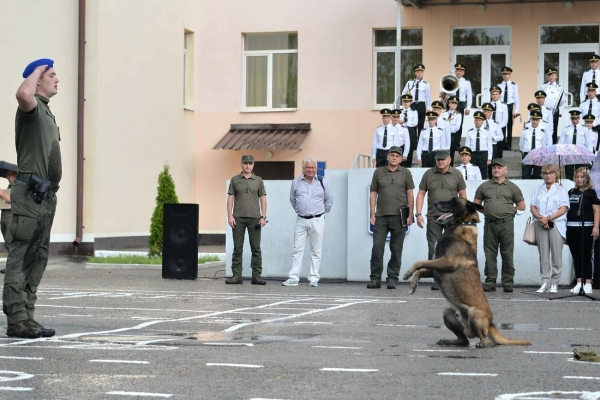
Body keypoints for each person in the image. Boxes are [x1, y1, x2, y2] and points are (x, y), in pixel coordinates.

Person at [3, 59, 61, 339]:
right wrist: (39, 67)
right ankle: (16, 319)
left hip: (45, 197)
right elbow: (23, 94)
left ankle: (27, 316)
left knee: (37, 258)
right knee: (22, 255)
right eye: (52, 75)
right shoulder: (31, 108)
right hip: (29, 194)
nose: (57, 79)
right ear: (37, 80)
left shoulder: (46, 112)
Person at [415, 149, 467, 290]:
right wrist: (418, 214)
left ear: (449, 160)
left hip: (452, 218)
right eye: (438, 159)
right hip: (433, 217)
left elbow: (462, 194)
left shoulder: (457, 174)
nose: (440, 162)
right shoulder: (428, 174)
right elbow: (421, 193)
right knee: (434, 248)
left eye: (443, 159)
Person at [474, 159, 526, 292]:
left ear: (505, 170)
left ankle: (508, 282)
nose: (496, 169)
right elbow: (476, 204)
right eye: (494, 167)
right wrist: (486, 211)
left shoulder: (512, 187)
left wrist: (511, 211)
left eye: (499, 167)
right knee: (490, 254)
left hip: (506, 224)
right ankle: (490, 282)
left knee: (507, 254)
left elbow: (522, 206)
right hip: (490, 224)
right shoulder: (484, 186)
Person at [367, 146, 414, 289]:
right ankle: (375, 279)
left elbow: (410, 195)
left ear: (401, 159)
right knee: (377, 248)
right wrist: (372, 214)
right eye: (392, 155)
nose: (394, 157)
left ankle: (392, 278)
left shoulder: (405, 173)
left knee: (396, 249)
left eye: (397, 156)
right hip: (381, 216)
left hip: (400, 216)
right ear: (387, 157)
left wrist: (411, 215)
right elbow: (373, 193)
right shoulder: (379, 172)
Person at [282, 158, 333, 287]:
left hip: (317, 220)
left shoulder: (323, 182)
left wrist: (320, 213)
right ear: (304, 168)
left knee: (316, 250)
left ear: (316, 169)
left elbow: (329, 201)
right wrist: (301, 210)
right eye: (308, 167)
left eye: (313, 168)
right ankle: (293, 278)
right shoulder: (296, 182)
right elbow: (292, 200)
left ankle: (314, 278)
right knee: (297, 249)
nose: (310, 170)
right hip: (301, 220)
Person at [227, 154, 268, 285]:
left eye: (250, 163)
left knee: (256, 248)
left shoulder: (258, 180)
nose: (248, 166)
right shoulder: (235, 180)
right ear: (242, 164)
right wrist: (230, 215)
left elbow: (263, 199)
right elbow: (230, 199)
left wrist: (263, 216)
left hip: (255, 219)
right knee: (237, 248)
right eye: (245, 163)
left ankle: (256, 276)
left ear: (253, 165)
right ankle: (236, 276)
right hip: (238, 218)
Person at [530, 164, 569, 294]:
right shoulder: (538, 189)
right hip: (540, 223)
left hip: (556, 224)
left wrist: (549, 218)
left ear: (556, 174)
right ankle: (545, 281)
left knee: (556, 255)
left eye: (551, 172)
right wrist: (542, 218)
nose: (548, 175)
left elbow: (563, 208)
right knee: (543, 255)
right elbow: (533, 207)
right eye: (545, 173)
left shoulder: (561, 189)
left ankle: (555, 282)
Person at [566, 167, 599, 295]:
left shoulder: (592, 192)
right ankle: (579, 282)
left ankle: (588, 283)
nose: (580, 179)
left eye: (582, 177)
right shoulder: (571, 192)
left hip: (586, 227)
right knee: (576, 255)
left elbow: (597, 211)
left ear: (587, 178)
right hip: (571, 227)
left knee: (586, 255)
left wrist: (596, 227)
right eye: (577, 177)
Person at [440, 63, 472, 139]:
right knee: (448, 121)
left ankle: (457, 142)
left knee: (459, 123)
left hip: (460, 104)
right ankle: (447, 138)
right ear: (455, 72)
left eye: (460, 71)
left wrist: (468, 107)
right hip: (451, 103)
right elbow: (442, 88)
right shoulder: (450, 80)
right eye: (457, 71)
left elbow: (469, 95)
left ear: (463, 72)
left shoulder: (467, 82)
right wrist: (441, 92)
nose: (458, 72)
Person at [559, 110, 592, 180]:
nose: (574, 121)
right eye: (572, 118)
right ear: (570, 118)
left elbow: (588, 144)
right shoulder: (566, 129)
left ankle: (579, 190)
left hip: (580, 155)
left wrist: (589, 157)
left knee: (580, 174)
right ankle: (570, 189)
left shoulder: (584, 129)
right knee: (569, 175)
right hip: (569, 155)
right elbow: (561, 143)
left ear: (579, 118)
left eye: (576, 118)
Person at [520, 110, 552, 179]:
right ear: (531, 119)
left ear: (539, 120)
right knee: (526, 174)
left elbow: (543, 144)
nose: (534, 121)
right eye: (533, 119)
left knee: (537, 174)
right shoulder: (525, 131)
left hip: (538, 154)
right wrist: (522, 150)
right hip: (527, 153)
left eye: (536, 119)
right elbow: (521, 142)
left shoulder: (542, 132)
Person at [402, 64, 431, 138]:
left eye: (421, 72)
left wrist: (428, 108)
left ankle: (420, 141)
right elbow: (403, 93)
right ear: (415, 73)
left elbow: (428, 96)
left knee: (420, 124)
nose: (419, 73)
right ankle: (414, 142)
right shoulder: (410, 82)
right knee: (412, 123)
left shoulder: (426, 84)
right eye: (418, 72)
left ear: (423, 73)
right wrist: (407, 102)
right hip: (413, 104)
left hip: (421, 105)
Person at [464, 111, 492, 179]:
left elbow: (489, 146)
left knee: (483, 173)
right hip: (473, 154)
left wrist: (489, 158)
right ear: (474, 121)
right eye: (476, 120)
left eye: (479, 120)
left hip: (483, 154)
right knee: (473, 172)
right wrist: (467, 156)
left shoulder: (487, 132)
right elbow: (467, 145)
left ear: (482, 121)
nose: (477, 122)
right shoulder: (470, 132)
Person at [497, 67, 520, 151]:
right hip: (502, 106)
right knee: (501, 124)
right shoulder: (499, 85)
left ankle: (508, 144)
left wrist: (516, 110)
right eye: (504, 74)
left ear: (509, 75)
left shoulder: (513, 85)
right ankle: (501, 143)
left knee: (509, 125)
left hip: (509, 106)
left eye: (507, 74)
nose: (505, 76)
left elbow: (516, 98)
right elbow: (497, 97)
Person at [541, 67, 565, 144]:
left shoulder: (560, 88)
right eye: (549, 75)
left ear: (556, 76)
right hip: (545, 110)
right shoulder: (543, 86)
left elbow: (562, 101)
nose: (551, 77)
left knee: (553, 129)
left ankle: (553, 145)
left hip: (554, 110)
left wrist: (555, 107)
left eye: (553, 75)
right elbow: (540, 98)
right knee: (543, 127)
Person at [481, 102, 504, 178]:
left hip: (493, 146)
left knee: (492, 165)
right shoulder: (480, 123)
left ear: (491, 112)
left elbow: (501, 136)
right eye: (484, 111)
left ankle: (492, 180)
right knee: (483, 165)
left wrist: (493, 138)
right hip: (483, 147)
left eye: (488, 111)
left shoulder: (495, 123)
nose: (486, 113)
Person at [0, 170, 16, 274]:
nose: (9, 177)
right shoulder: (9, 187)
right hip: (4, 217)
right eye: (7, 175)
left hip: (11, 218)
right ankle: (10, 267)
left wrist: (1, 193)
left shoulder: (17, 187)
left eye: (11, 175)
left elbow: (11, 199)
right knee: (7, 243)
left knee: (10, 243)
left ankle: (13, 268)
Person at [398, 94, 419, 167]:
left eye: (408, 101)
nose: (406, 103)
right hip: (401, 131)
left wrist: (404, 123)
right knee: (401, 148)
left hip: (410, 131)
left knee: (409, 149)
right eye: (405, 101)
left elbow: (415, 123)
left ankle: (408, 166)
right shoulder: (400, 111)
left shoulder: (414, 111)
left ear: (410, 102)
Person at [440, 95, 462, 165]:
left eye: (455, 103)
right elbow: (441, 124)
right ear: (449, 104)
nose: (454, 105)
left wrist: (447, 130)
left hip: (452, 135)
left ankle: (450, 166)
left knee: (451, 152)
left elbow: (457, 127)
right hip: (443, 135)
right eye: (452, 103)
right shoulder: (443, 114)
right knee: (443, 151)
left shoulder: (458, 115)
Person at [490, 86, 509, 158]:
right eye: (493, 94)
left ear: (499, 95)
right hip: (490, 129)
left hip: (501, 128)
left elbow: (505, 120)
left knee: (499, 149)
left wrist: (497, 126)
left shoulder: (503, 105)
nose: (494, 96)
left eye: (496, 94)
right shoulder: (488, 105)